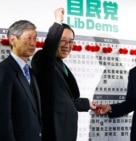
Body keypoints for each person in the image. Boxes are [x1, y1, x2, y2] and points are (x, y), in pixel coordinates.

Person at [31, 7, 96, 141]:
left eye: (71, 41)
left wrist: (87, 104)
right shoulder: (43, 58)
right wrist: (57, 22)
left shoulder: (60, 64)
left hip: (66, 131)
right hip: (52, 131)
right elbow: (48, 50)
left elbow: (64, 98)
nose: (67, 45)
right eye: (63, 40)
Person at [0, 20, 42, 141]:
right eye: (28, 38)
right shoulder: (3, 71)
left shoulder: (30, 72)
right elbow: (2, 121)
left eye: (35, 38)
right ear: (13, 40)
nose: (33, 43)